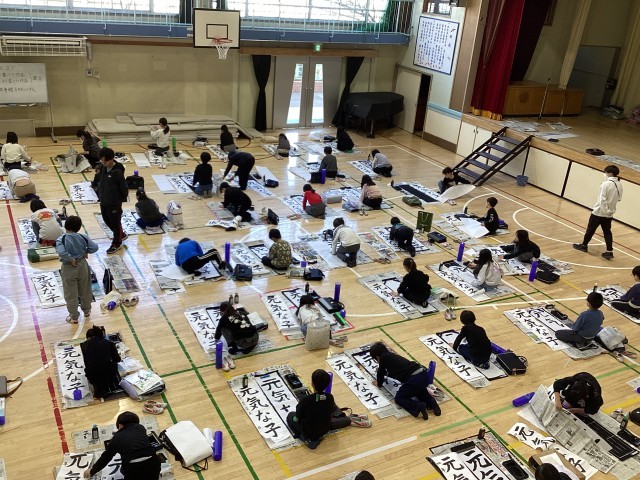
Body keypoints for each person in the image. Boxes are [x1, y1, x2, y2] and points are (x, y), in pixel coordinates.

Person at [286, 369, 356, 449]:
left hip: (308, 431)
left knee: (291, 416)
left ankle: (305, 438)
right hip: (324, 429)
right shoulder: (330, 397)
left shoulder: (305, 400)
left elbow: (298, 416)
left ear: (312, 383)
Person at [369, 342, 440, 419]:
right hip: (423, 375)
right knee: (418, 390)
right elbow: (396, 372)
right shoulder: (392, 356)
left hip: (414, 380)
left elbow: (380, 373)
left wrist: (379, 384)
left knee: (399, 398)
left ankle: (418, 406)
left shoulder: (383, 358)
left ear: (377, 357)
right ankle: (430, 401)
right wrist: (385, 373)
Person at [84, 411, 161, 480]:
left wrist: (91, 471)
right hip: (154, 463)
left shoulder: (117, 437)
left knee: (124, 470)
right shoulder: (141, 428)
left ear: (120, 425)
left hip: (133, 468)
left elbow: (105, 457)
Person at [55, 215, 99, 324]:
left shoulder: (61, 239)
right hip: (82, 265)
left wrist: (71, 259)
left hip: (68, 267)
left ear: (66, 226)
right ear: (79, 227)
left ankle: (74, 316)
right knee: (85, 289)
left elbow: (61, 252)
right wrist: (86, 252)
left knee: (70, 293)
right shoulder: (83, 236)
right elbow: (95, 247)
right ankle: (87, 311)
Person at [573, 165, 623, 260]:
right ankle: (609, 251)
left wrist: (605, 210)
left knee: (590, 229)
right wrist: (609, 211)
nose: (604, 174)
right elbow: (619, 198)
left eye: (605, 172)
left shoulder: (605, 184)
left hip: (599, 212)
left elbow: (602, 200)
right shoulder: (619, 184)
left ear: (609, 173)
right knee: (607, 232)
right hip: (609, 214)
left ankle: (584, 245)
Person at [92, 147, 128, 254]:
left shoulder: (117, 172)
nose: (103, 163)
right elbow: (99, 179)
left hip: (114, 203)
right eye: (102, 160)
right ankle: (121, 234)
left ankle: (117, 243)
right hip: (104, 200)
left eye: (105, 161)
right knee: (106, 219)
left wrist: (120, 200)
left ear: (112, 158)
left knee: (116, 223)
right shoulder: (103, 167)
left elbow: (123, 188)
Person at [81, 326, 121, 399]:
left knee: (91, 369)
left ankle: (98, 388)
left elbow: (86, 363)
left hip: (94, 377)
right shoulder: (109, 343)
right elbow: (117, 359)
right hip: (110, 375)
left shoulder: (85, 345)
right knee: (111, 365)